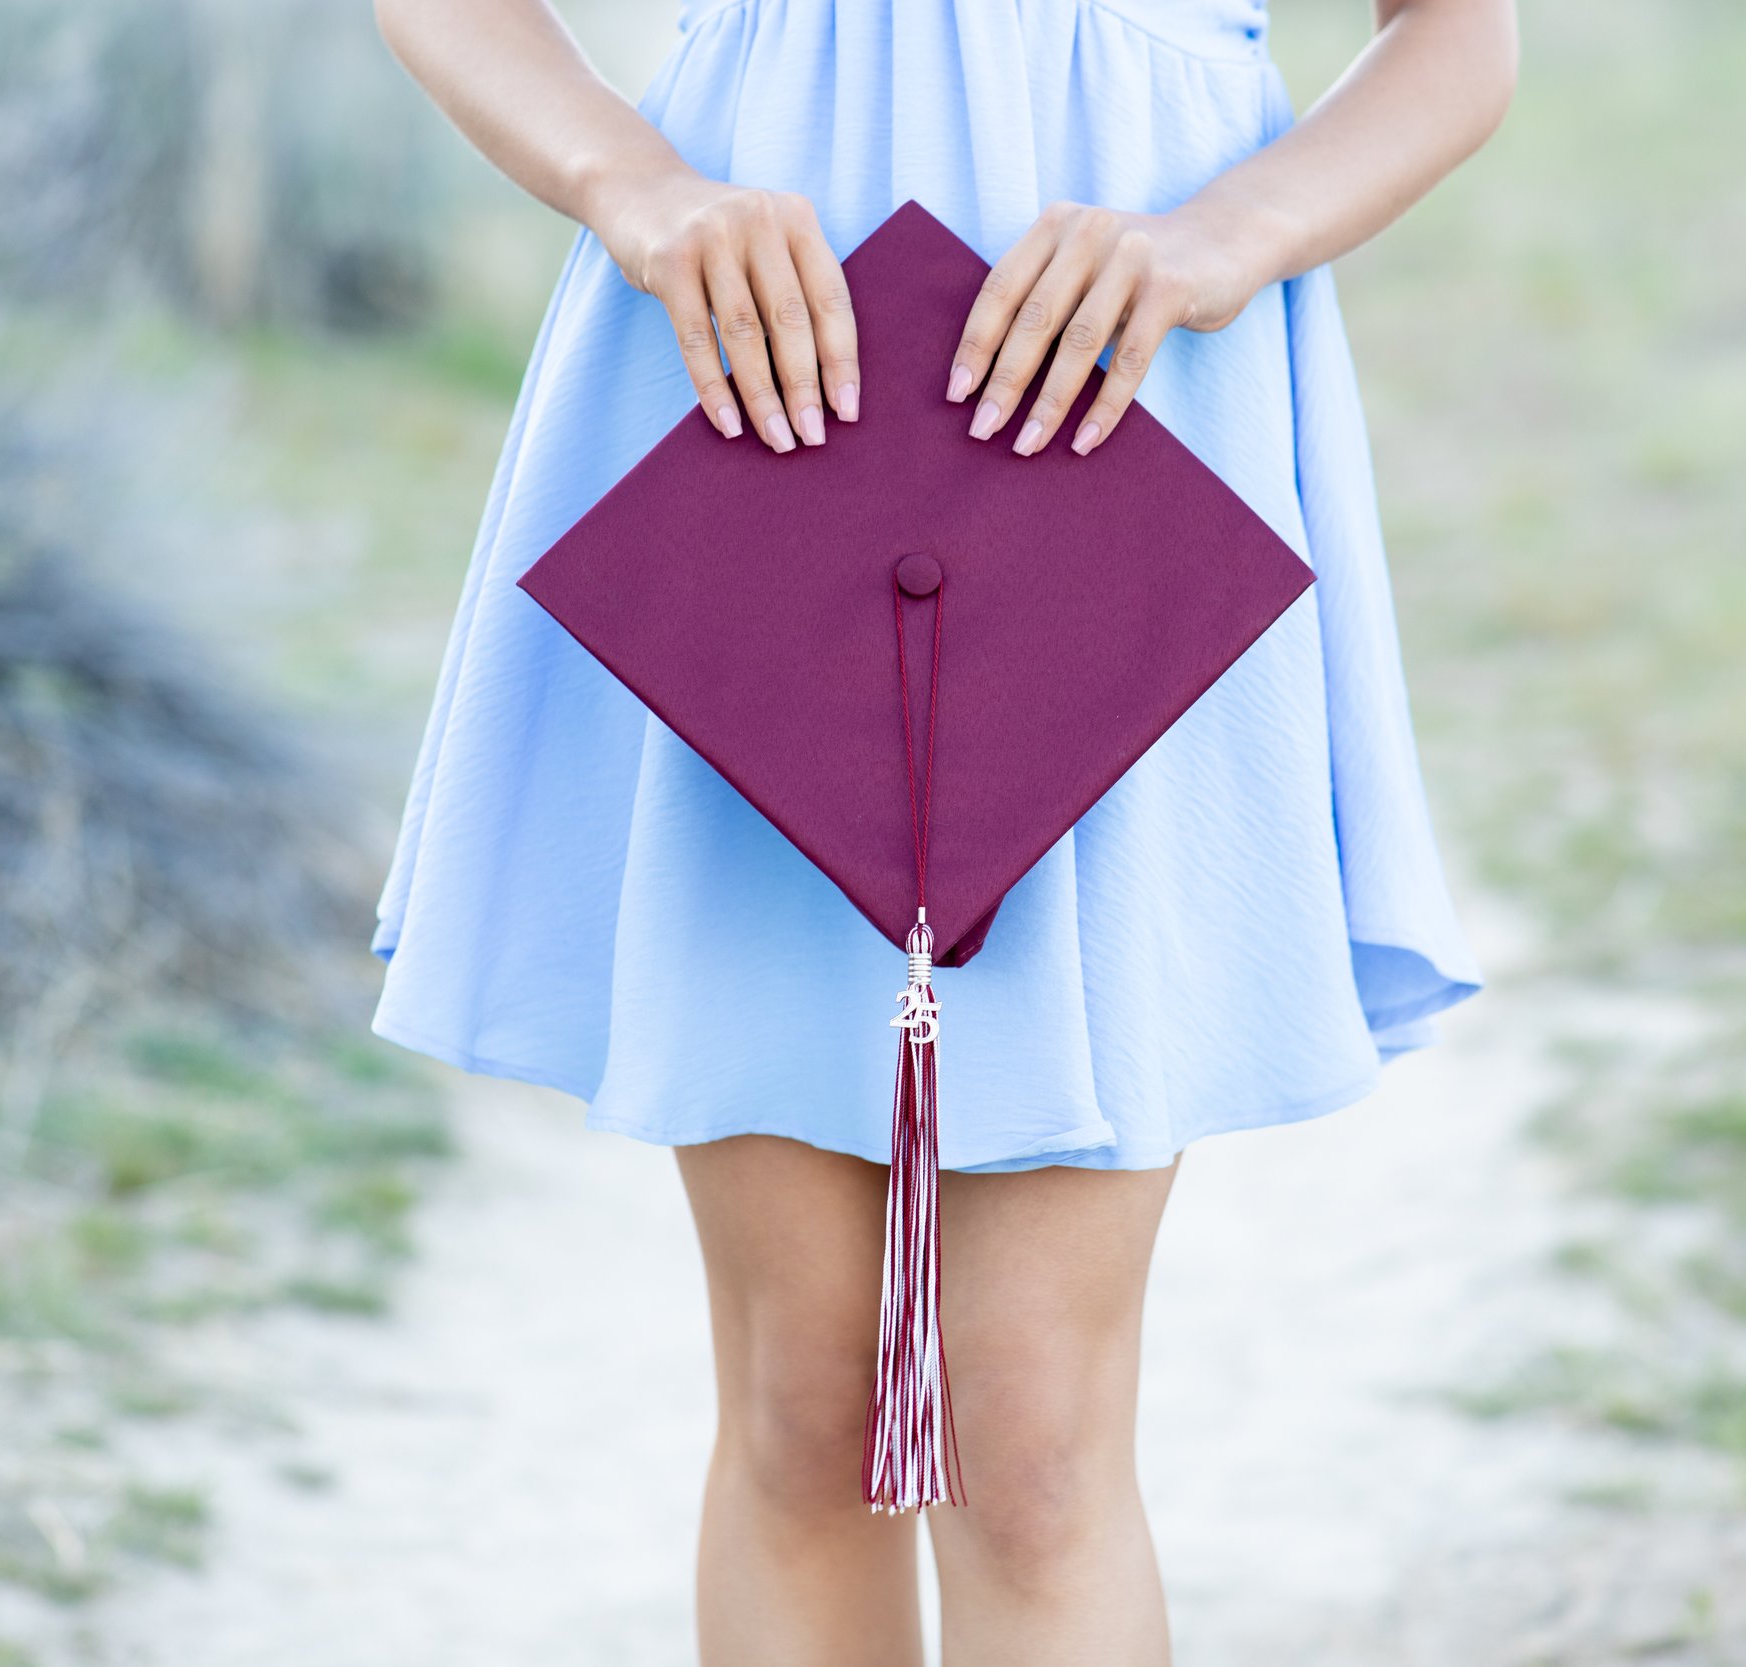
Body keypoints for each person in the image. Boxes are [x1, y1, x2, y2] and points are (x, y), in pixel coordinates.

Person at [368, 1, 1514, 1659]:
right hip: (760, 375)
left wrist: (1225, 239)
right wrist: (634, 184)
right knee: (806, 1400)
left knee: (1031, 1442)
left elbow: (1458, 40)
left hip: (1130, 389)